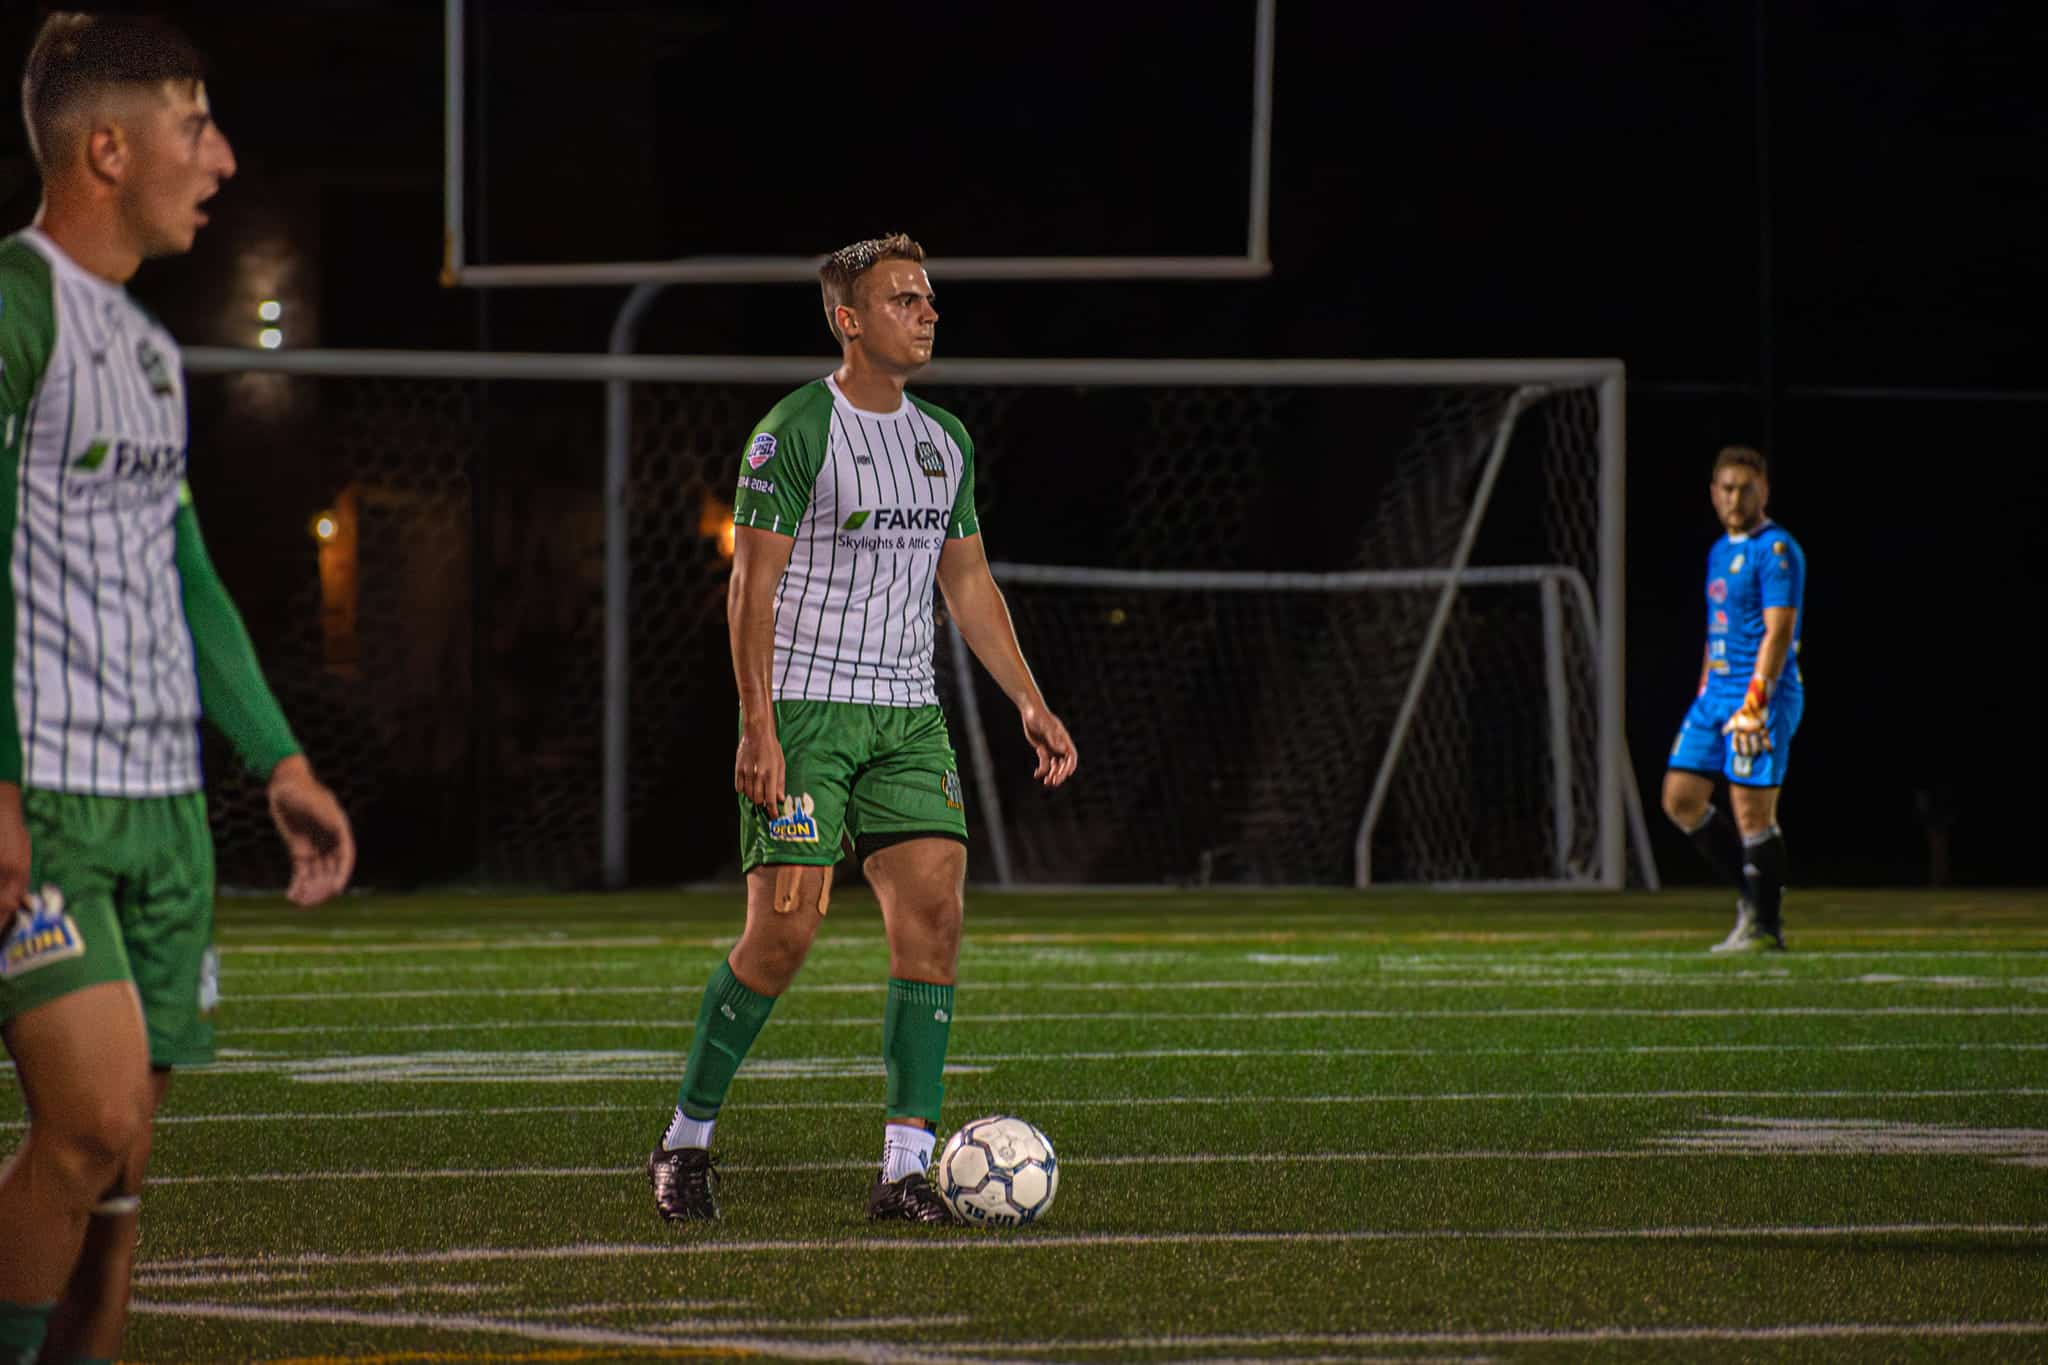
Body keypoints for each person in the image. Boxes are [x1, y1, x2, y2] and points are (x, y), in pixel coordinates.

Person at [0, 14, 355, 1362]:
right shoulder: (16, 307)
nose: (223, 158)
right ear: (107, 149)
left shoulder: (148, 352)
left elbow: (187, 572)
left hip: (166, 812)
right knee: (86, 1125)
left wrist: (280, 760)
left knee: (122, 1176)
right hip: (51, 802)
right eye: (194, 126)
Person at [647, 233, 1077, 1225]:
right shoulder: (794, 430)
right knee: (783, 933)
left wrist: (1027, 698)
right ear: (848, 319)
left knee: (934, 920)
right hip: (806, 712)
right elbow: (750, 588)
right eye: (902, 300)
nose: (927, 313)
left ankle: (904, 1170)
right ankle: (685, 1141)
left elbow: (967, 582)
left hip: (908, 717)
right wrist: (758, 726)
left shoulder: (945, 441)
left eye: (928, 299)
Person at [1661, 446, 1805, 952]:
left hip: (1759, 695)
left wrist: (1756, 700)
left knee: (1752, 814)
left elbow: (1778, 631)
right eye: (1726, 488)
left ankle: (1766, 926)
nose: (1735, 497)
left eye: (1745, 488)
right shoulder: (1719, 551)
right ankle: (1752, 897)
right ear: (1713, 493)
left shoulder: (1776, 550)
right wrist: (1705, 690)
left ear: (1764, 491)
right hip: (1715, 695)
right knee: (1680, 798)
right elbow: (1715, 628)